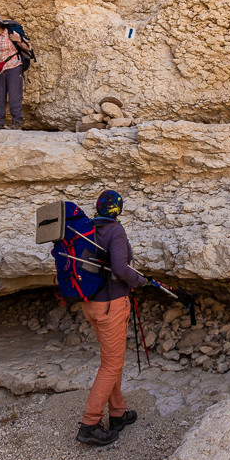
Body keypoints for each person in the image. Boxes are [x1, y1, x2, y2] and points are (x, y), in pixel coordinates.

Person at [76, 189, 148, 446]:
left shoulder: (86, 229)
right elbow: (120, 267)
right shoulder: (115, 230)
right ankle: (90, 423)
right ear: (117, 209)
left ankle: (117, 414)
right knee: (112, 365)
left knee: (111, 359)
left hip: (92, 305)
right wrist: (139, 281)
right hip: (112, 305)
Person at [0, 14, 31, 130]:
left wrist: (18, 40)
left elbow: (28, 47)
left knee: (14, 95)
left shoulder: (10, 34)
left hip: (13, 66)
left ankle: (17, 122)